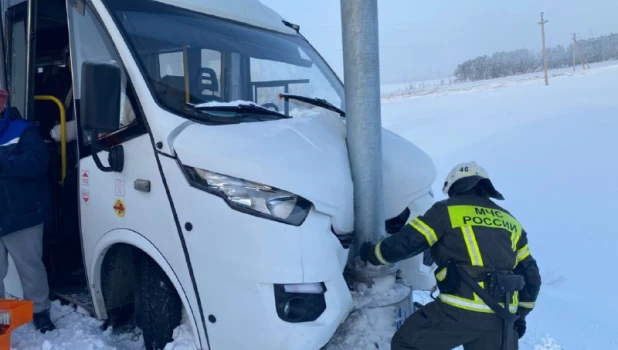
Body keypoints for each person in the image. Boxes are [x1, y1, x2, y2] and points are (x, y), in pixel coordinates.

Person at [360, 161, 541, 350]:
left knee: (407, 343)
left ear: (454, 186)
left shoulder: (446, 211)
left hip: (460, 310)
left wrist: (373, 255)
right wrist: (520, 314)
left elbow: (409, 241)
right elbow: (531, 275)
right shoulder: (511, 221)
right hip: (502, 315)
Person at [0, 89, 56, 333]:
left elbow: (39, 162)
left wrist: (4, 163)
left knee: (30, 267)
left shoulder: (22, 130)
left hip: (22, 215)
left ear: (2, 104)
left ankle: (40, 312)